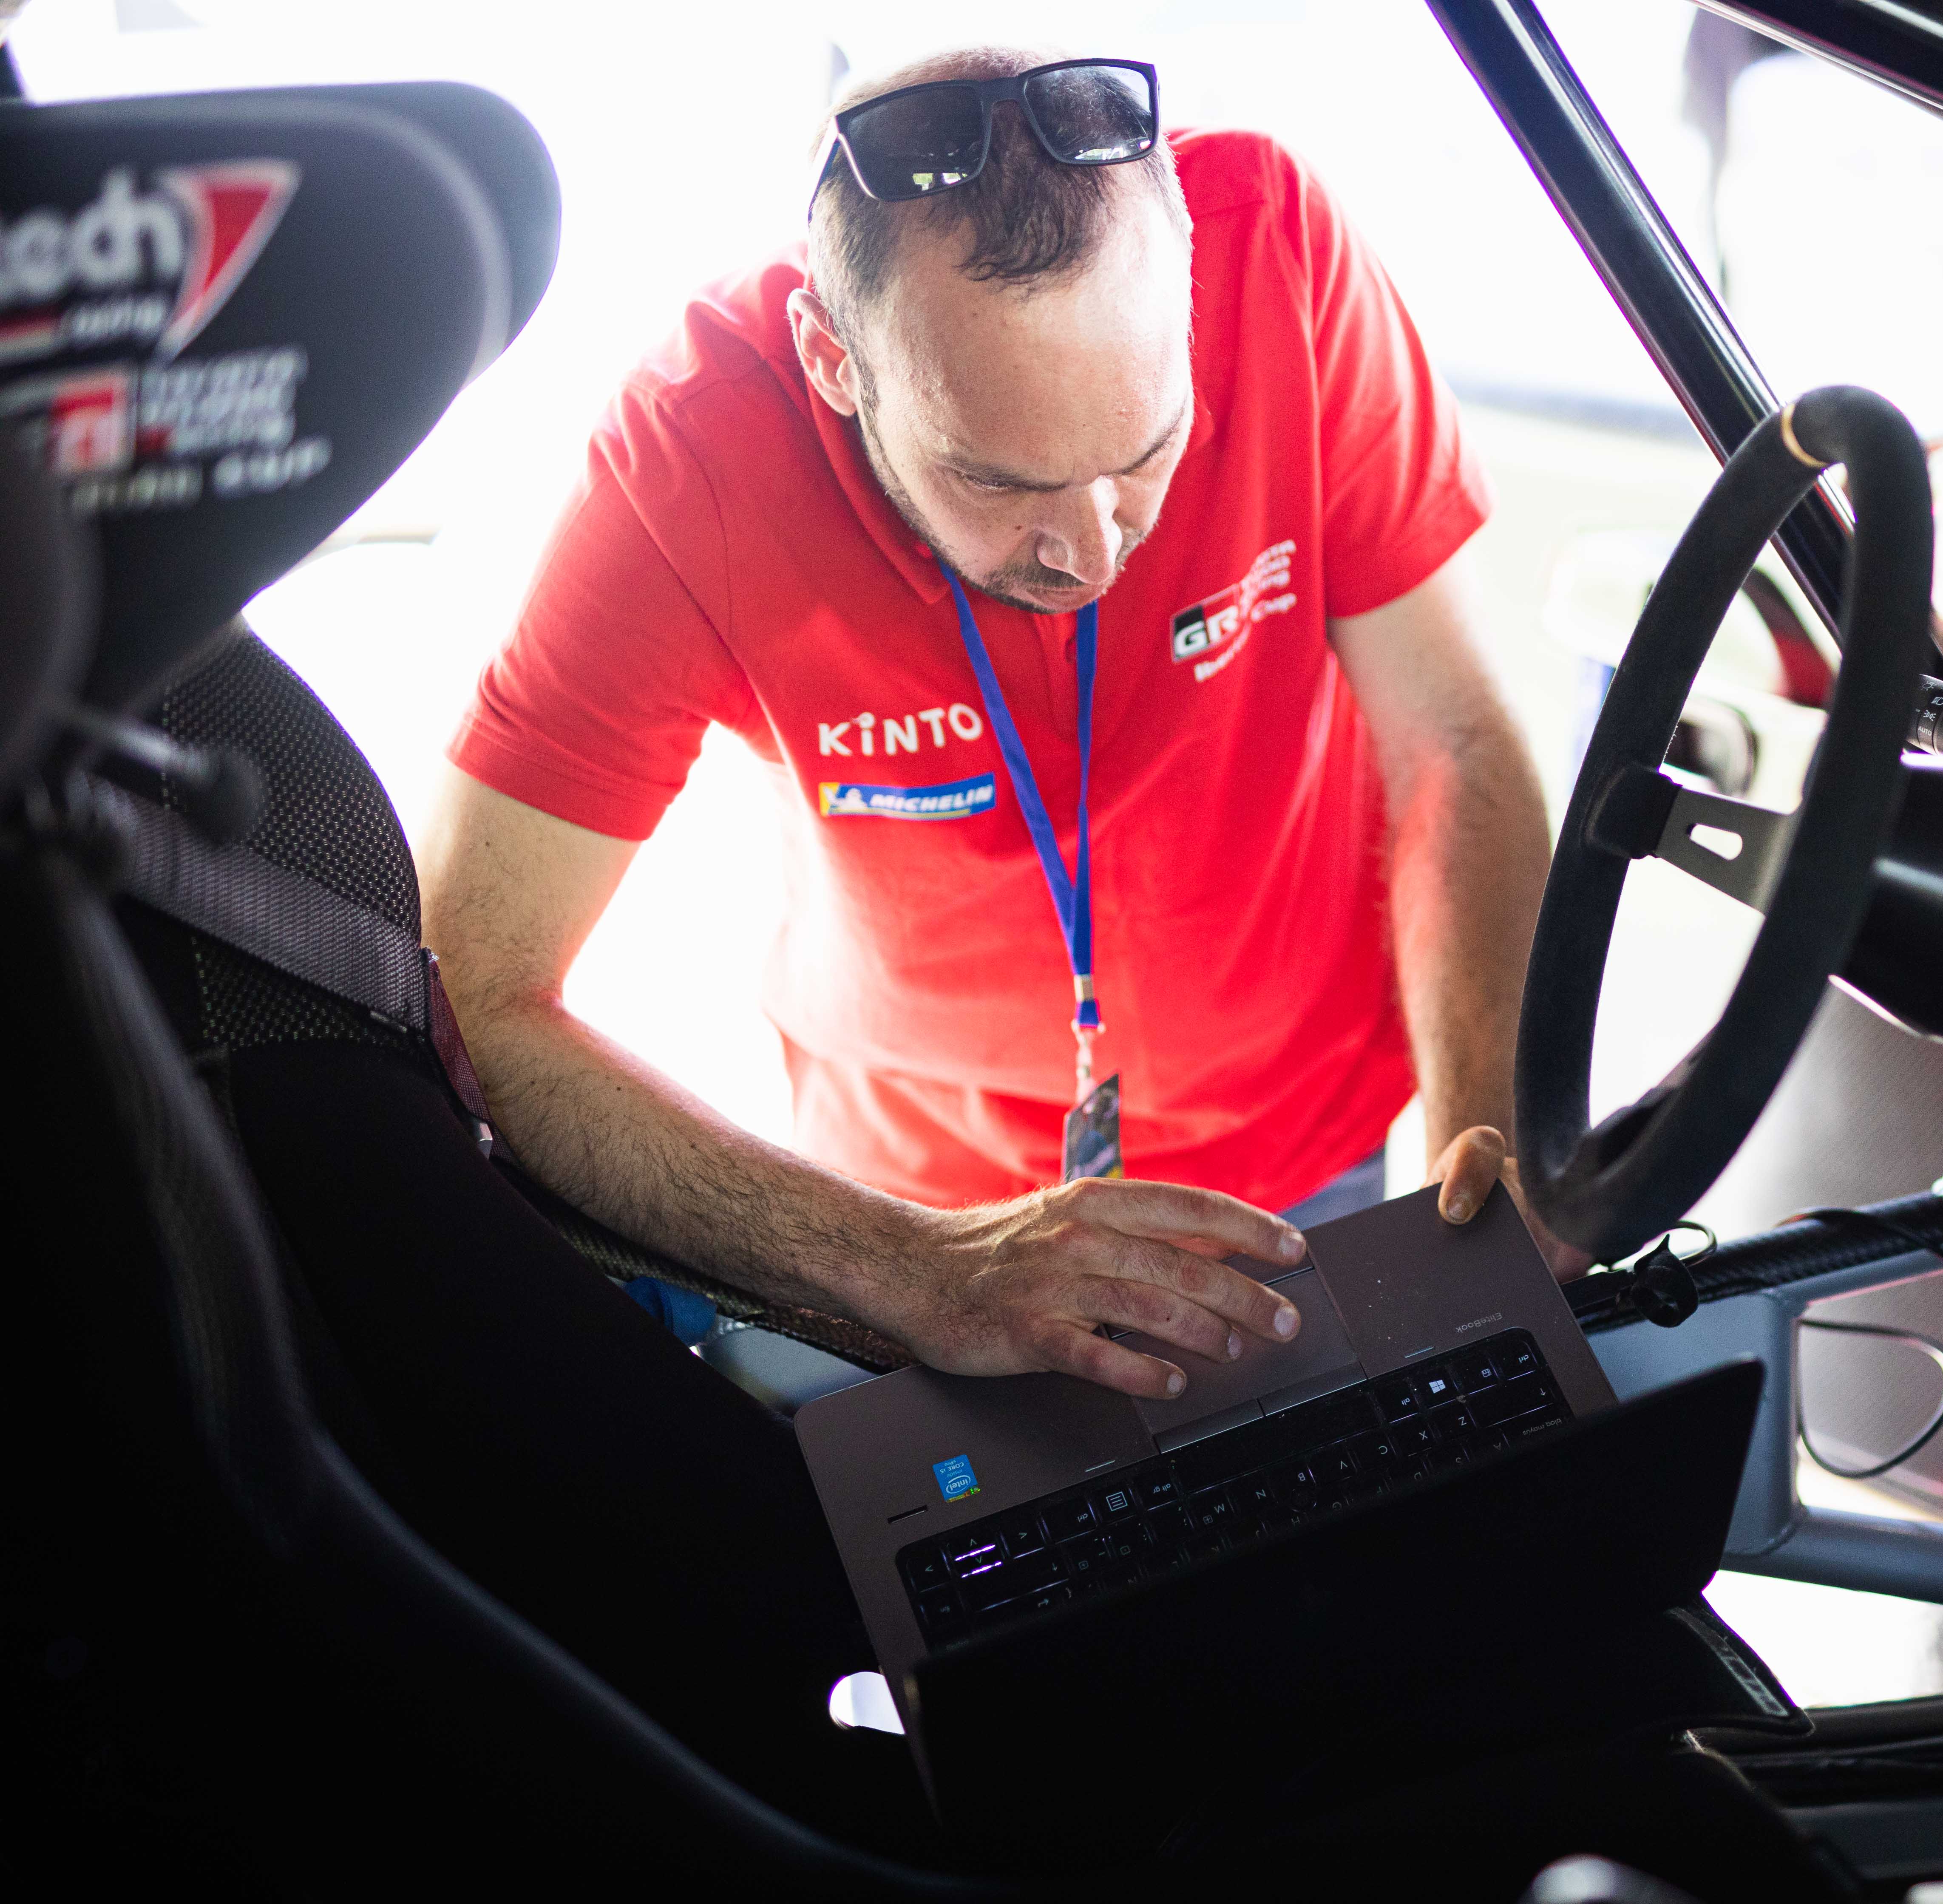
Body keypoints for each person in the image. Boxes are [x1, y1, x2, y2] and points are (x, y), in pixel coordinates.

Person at [420, 46, 1570, 1410]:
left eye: (1145, 454)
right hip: (913, 1208)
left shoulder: (1280, 252)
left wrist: (1490, 1144)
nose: (1092, 550)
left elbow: (1455, 744)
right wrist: (916, 1268)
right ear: (835, 362)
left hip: (1301, 1149)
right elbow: (469, 982)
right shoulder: (693, 452)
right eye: (999, 482)